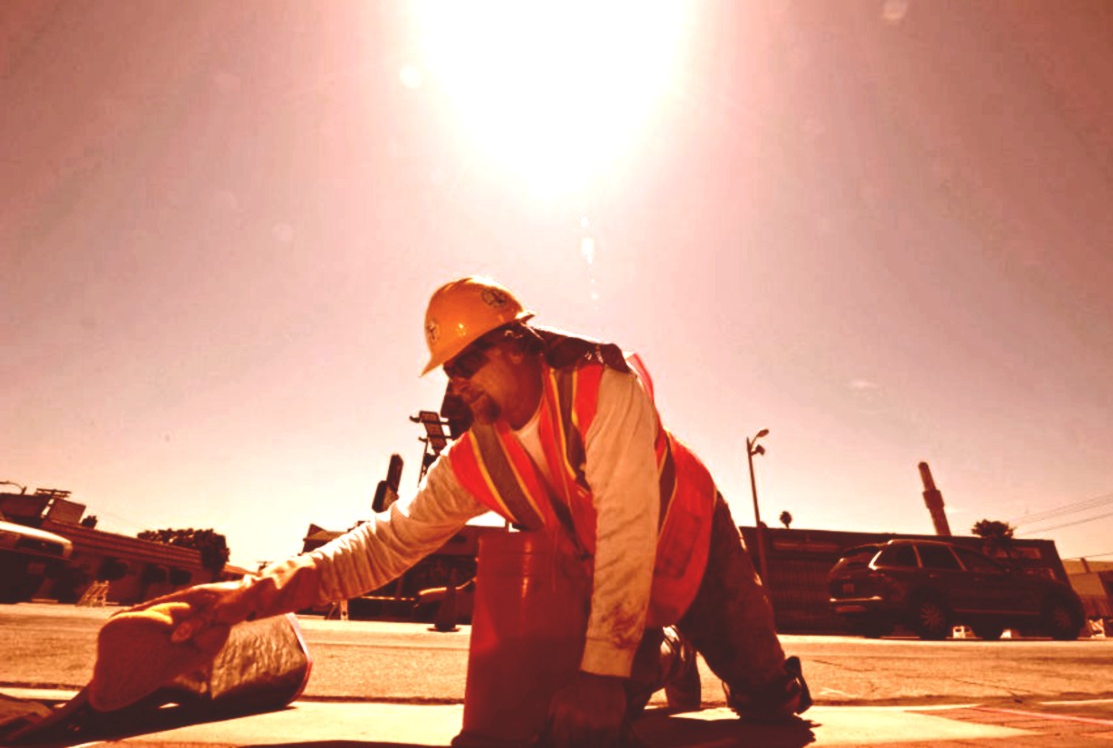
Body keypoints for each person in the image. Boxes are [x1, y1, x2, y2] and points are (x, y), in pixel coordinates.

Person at [135, 277, 810, 746]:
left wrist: (601, 673)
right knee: (568, 730)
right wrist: (257, 593)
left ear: (517, 342)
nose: (458, 382)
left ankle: (761, 674)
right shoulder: (473, 459)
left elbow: (632, 528)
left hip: (690, 538)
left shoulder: (600, 387)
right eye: (448, 370)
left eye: (467, 360)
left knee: (765, 707)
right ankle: (655, 656)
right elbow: (384, 545)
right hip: (611, 578)